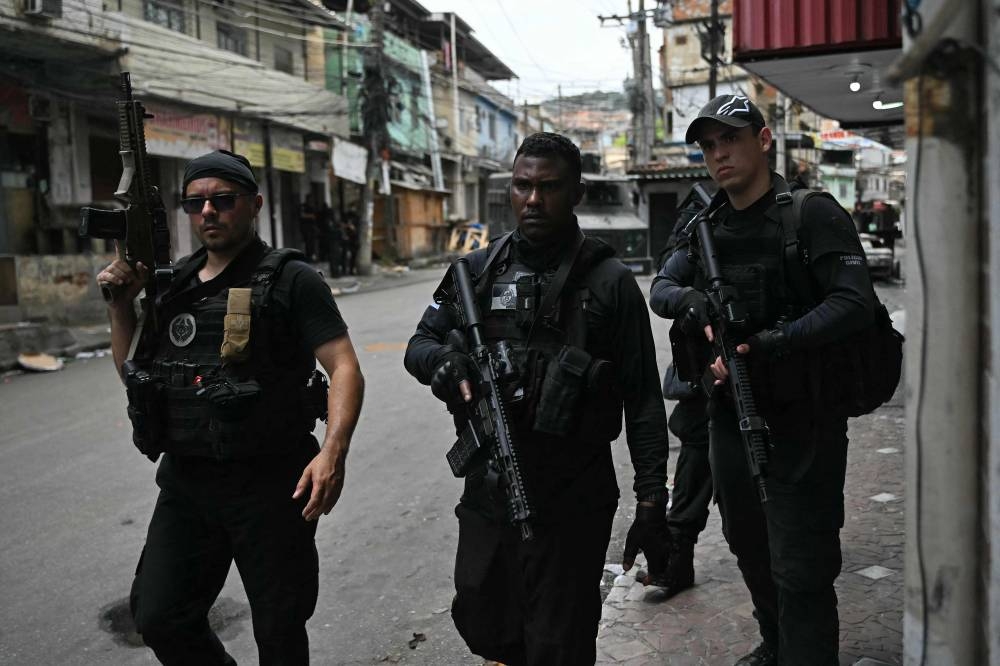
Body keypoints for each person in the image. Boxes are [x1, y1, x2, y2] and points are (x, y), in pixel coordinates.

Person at [404, 132, 671, 665]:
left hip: (573, 499)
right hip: (490, 491)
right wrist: (444, 363)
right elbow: (419, 344)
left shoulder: (610, 282)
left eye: (548, 187)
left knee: (558, 644)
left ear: (576, 193)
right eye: (523, 185)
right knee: (484, 620)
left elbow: (642, 400)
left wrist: (650, 502)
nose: (533, 199)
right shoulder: (478, 273)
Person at [96, 150, 365, 666]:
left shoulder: (290, 280)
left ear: (254, 204)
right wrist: (119, 308)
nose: (208, 213)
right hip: (188, 481)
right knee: (160, 616)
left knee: (278, 626)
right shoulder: (171, 283)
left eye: (223, 200)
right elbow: (137, 375)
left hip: (272, 483)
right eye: (195, 203)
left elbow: (345, 366)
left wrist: (333, 452)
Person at [650, 95, 876, 666]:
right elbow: (661, 289)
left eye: (730, 139)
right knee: (748, 542)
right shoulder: (704, 222)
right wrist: (696, 304)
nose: (719, 154)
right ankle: (776, 644)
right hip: (731, 413)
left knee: (800, 561)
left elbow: (854, 302)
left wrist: (777, 342)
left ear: (764, 139)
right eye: (708, 146)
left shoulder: (810, 213)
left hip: (806, 416)